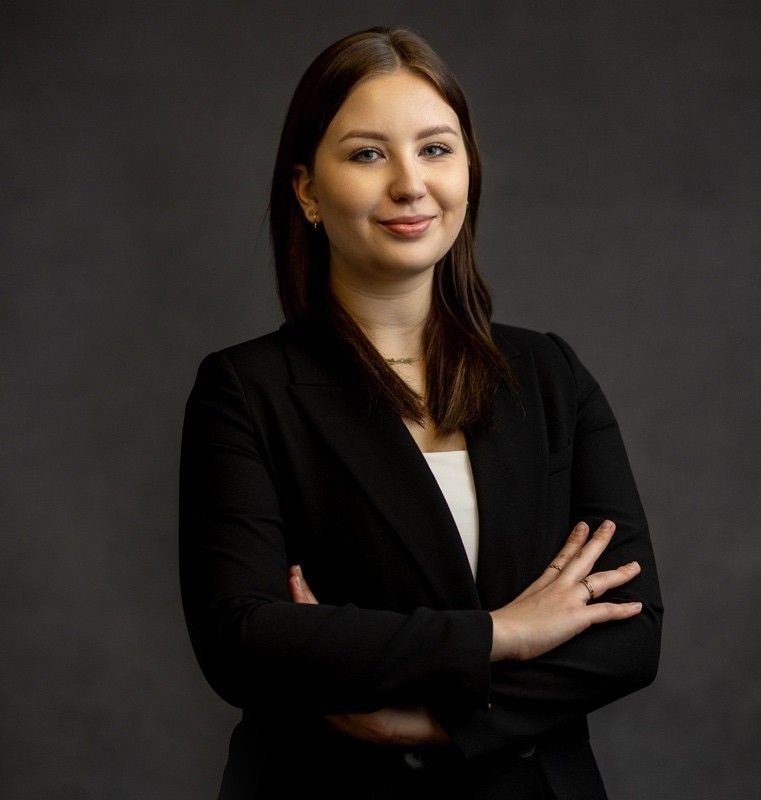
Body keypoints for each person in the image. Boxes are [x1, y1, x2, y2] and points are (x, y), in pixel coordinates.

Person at [178, 25, 662, 800]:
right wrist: (504, 632)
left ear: (468, 169)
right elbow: (245, 639)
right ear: (306, 189)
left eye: (436, 149)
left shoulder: (548, 374)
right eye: (368, 154)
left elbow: (630, 631)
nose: (410, 184)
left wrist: (433, 723)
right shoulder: (246, 390)